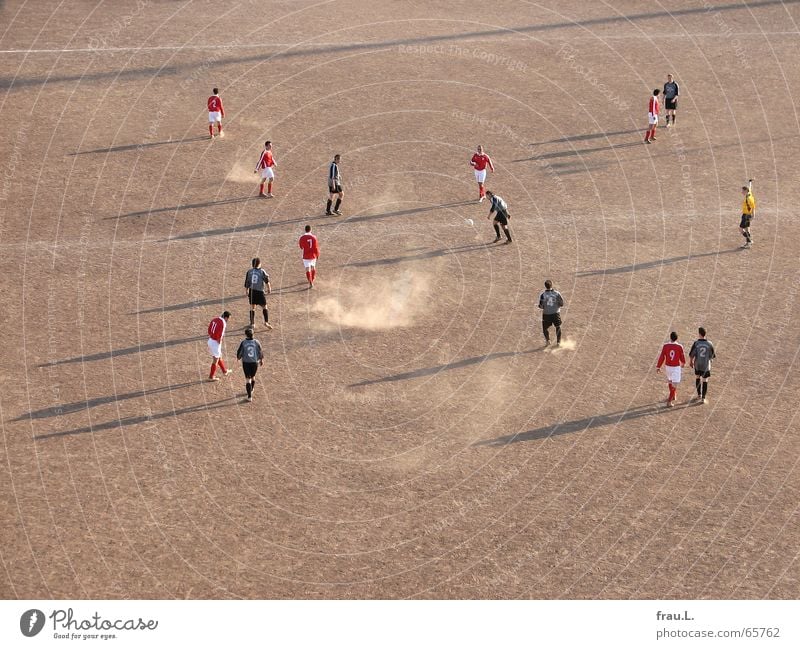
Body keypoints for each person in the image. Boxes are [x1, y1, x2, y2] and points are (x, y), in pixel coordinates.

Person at [656, 331, 686, 407]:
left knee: (670, 381)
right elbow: (682, 357)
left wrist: (658, 366)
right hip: (675, 367)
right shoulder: (679, 346)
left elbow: (662, 356)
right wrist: (683, 363)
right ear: (677, 338)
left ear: (670, 337)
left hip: (668, 367)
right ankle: (669, 402)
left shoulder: (665, 346)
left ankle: (673, 395)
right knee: (674, 385)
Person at [689, 327, 716, 404]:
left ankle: (699, 395)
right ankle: (703, 398)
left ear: (699, 334)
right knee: (705, 380)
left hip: (698, 364)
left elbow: (692, 354)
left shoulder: (696, 343)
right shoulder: (709, 344)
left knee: (697, 377)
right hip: (706, 365)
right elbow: (712, 356)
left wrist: (691, 362)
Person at [244, 257, 273, 330]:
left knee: (252, 307)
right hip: (260, 292)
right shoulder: (262, 271)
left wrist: (246, 290)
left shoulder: (249, 271)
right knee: (264, 307)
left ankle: (252, 323)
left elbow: (247, 282)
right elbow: (267, 281)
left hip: (252, 291)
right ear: (259, 264)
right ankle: (266, 322)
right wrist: (269, 288)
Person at [236, 327, 264, 402]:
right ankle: (252, 389)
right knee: (253, 376)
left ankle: (249, 396)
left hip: (246, 363)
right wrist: (261, 359)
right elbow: (260, 351)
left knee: (247, 379)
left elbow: (239, 352)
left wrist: (238, 358)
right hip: (255, 362)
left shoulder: (244, 342)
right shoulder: (256, 342)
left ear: (246, 335)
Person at [207, 310, 233, 381]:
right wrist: (219, 343)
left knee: (218, 356)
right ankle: (211, 377)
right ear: (226, 317)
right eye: (228, 318)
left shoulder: (214, 319)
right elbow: (220, 334)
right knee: (215, 359)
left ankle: (224, 371)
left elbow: (209, 330)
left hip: (210, 340)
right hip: (215, 343)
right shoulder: (223, 323)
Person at [538, 280, 565, 346]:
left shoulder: (543, 295)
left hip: (546, 314)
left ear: (545, 286)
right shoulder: (557, 293)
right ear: (552, 285)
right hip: (556, 313)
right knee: (558, 327)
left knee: (545, 328)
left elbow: (541, 306)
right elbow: (562, 304)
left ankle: (548, 341)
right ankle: (558, 342)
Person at [299, 224, 320, 288]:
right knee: (313, 267)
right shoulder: (314, 237)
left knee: (307, 268)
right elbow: (316, 247)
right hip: (313, 255)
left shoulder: (302, 237)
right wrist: (317, 254)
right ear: (310, 230)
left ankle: (310, 281)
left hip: (305, 255)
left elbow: (301, 247)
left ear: (305, 230)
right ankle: (312, 278)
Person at [739, 184, 756, 248]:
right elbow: (750, 187)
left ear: (746, 191)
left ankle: (749, 241)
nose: (742, 192)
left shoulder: (749, 199)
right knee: (747, 229)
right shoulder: (749, 193)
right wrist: (750, 182)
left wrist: (754, 215)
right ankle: (748, 243)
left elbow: (753, 206)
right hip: (746, 215)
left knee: (740, 229)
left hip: (746, 215)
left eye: (743, 191)